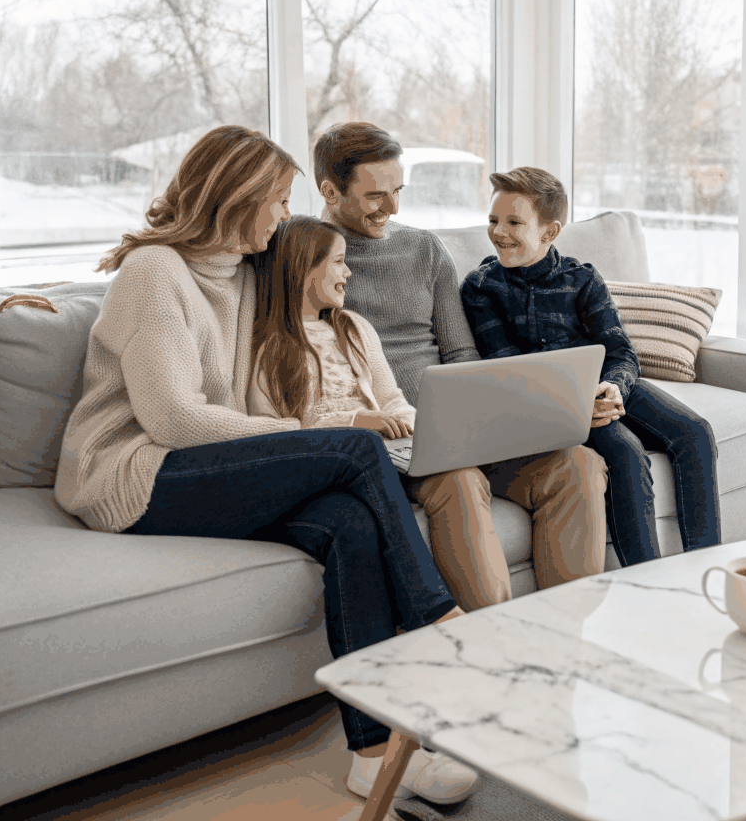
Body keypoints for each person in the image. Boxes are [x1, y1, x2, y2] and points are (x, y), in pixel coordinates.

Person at [53, 125, 478, 810]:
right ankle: (438, 615)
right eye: (279, 200)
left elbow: (313, 290)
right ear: (238, 197)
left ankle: (373, 756)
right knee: (355, 448)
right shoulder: (155, 272)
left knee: (349, 524)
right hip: (133, 475)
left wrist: (297, 438)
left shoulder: (246, 275)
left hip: (205, 466)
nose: (286, 214)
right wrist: (302, 437)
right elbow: (174, 420)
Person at [311, 121, 610, 605]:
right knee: (460, 478)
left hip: (463, 427)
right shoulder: (302, 257)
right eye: (375, 196)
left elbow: (461, 353)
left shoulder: (424, 248)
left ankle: (563, 638)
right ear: (329, 190)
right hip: (392, 437)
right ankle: (488, 647)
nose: (392, 208)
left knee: (578, 463)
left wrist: (486, 416)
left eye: (398, 191)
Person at [459, 166, 722, 566]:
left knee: (695, 433)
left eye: (514, 222)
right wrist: (583, 404)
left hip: (603, 387)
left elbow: (620, 351)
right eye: (494, 220)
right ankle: (647, 578)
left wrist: (615, 388)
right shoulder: (481, 288)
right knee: (625, 451)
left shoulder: (582, 280)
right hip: (551, 402)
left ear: (549, 233)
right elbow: (508, 367)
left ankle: (703, 566)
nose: (498, 231)